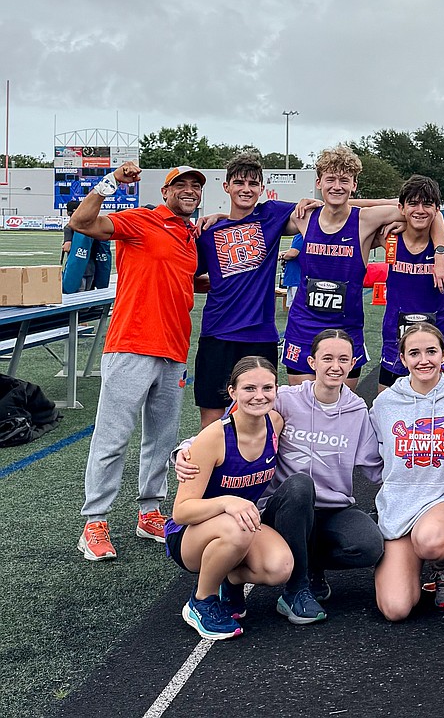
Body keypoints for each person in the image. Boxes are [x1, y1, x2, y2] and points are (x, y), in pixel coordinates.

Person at [176, 329, 386, 625]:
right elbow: (231, 426)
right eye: (327, 358)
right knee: (300, 485)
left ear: (353, 363)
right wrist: (184, 450)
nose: (335, 366)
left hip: (331, 509)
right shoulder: (284, 399)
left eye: (343, 359)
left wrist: (421, 476)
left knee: (369, 545)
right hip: (283, 506)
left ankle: (308, 567)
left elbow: (376, 468)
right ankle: (296, 589)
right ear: (312, 362)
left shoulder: (356, 411)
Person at [70, 163, 205, 561]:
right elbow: (82, 221)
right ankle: (94, 521)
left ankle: (149, 511)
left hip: (174, 351)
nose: (188, 191)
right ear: (165, 192)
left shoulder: (190, 234)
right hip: (131, 345)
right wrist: (111, 182)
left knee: (161, 440)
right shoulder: (141, 220)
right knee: (112, 439)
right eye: (180, 184)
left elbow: (189, 281)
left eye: (195, 186)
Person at [282, 148, 444, 391]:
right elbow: (256, 219)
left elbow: (426, 209)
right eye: (330, 180)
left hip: (346, 329)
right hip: (303, 326)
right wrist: (215, 217)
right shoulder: (304, 216)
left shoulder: (365, 219)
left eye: (344, 180)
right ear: (318, 182)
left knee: (339, 409)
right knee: (300, 406)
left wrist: (440, 254)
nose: (336, 186)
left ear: (354, 184)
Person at [164, 357, 293, 640]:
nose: (259, 396)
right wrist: (226, 502)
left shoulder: (275, 422)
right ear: (233, 392)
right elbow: (181, 512)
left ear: (276, 390)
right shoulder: (215, 438)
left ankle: (229, 578)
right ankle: (202, 601)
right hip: (191, 534)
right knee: (237, 526)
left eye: (267, 388)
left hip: (241, 523)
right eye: (249, 389)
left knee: (280, 568)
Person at [194, 152, 315, 428]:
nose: (246, 189)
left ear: (262, 188)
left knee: (258, 415)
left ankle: (256, 471)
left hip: (259, 335)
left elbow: (329, 213)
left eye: (253, 184)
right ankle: (215, 472)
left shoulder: (270, 215)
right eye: (239, 183)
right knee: (213, 417)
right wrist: (221, 284)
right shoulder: (209, 232)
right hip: (217, 333)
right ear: (227, 187)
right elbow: (190, 277)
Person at [370, 323, 444, 620]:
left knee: (430, 540)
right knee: (395, 609)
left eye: (431, 351)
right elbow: (373, 456)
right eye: (415, 353)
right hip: (400, 506)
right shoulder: (384, 403)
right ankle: (406, 561)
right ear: (403, 359)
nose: (424, 360)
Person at [377, 175, 444, 393]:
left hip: (437, 338)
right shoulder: (387, 237)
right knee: (385, 406)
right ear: (401, 208)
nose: (420, 210)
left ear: (437, 210)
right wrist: (324, 203)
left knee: (442, 407)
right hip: (395, 338)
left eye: (427, 204)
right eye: (413, 204)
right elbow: (352, 212)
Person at [62, 199, 109, 292]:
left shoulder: (69, 227)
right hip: (92, 266)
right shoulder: (91, 227)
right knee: (89, 293)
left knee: (78, 294)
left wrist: (65, 245)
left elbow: (67, 248)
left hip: (77, 268)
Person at [280, 233, 304, 309]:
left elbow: (293, 253)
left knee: (296, 307)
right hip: (294, 278)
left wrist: (282, 257)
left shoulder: (301, 236)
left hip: (296, 278)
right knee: (292, 306)